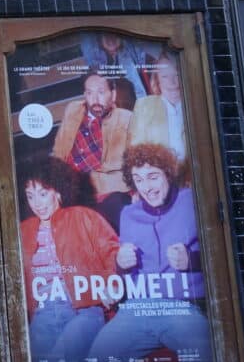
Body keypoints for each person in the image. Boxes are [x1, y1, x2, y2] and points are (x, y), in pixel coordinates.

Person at [84, 143, 213, 362]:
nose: (147, 187)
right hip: (137, 309)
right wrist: (121, 265)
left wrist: (192, 260)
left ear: (167, 174)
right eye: (139, 179)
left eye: (153, 176)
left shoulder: (193, 202)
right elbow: (125, 275)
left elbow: (223, 256)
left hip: (182, 307)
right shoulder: (128, 215)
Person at [19, 156, 119, 362]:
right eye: (30, 195)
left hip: (84, 311)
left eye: (43, 193)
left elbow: (113, 253)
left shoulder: (84, 217)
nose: (37, 203)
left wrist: (111, 287)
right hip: (42, 314)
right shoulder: (24, 230)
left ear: (59, 191)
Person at [52, 71, 134, 232]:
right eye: (89, 93)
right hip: (71, 189)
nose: (95, 100)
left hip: (108, 191)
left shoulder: (126, 118)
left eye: (101, 92)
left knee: (119, 213)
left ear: (113, 94)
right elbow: (58, 152)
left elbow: (135, 160)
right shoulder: (73, 110)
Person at [131, 53, 188, 161]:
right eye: (165, 76)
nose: (173, 83)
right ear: (157, 80)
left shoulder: (195, 103)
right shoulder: (144, 107)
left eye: (176, 75)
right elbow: (135, 154)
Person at [81, 33, 151, 100]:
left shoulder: (127, 56)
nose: (111, 40)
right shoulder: (95, 57)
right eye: (107, 36)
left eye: (114, 36)